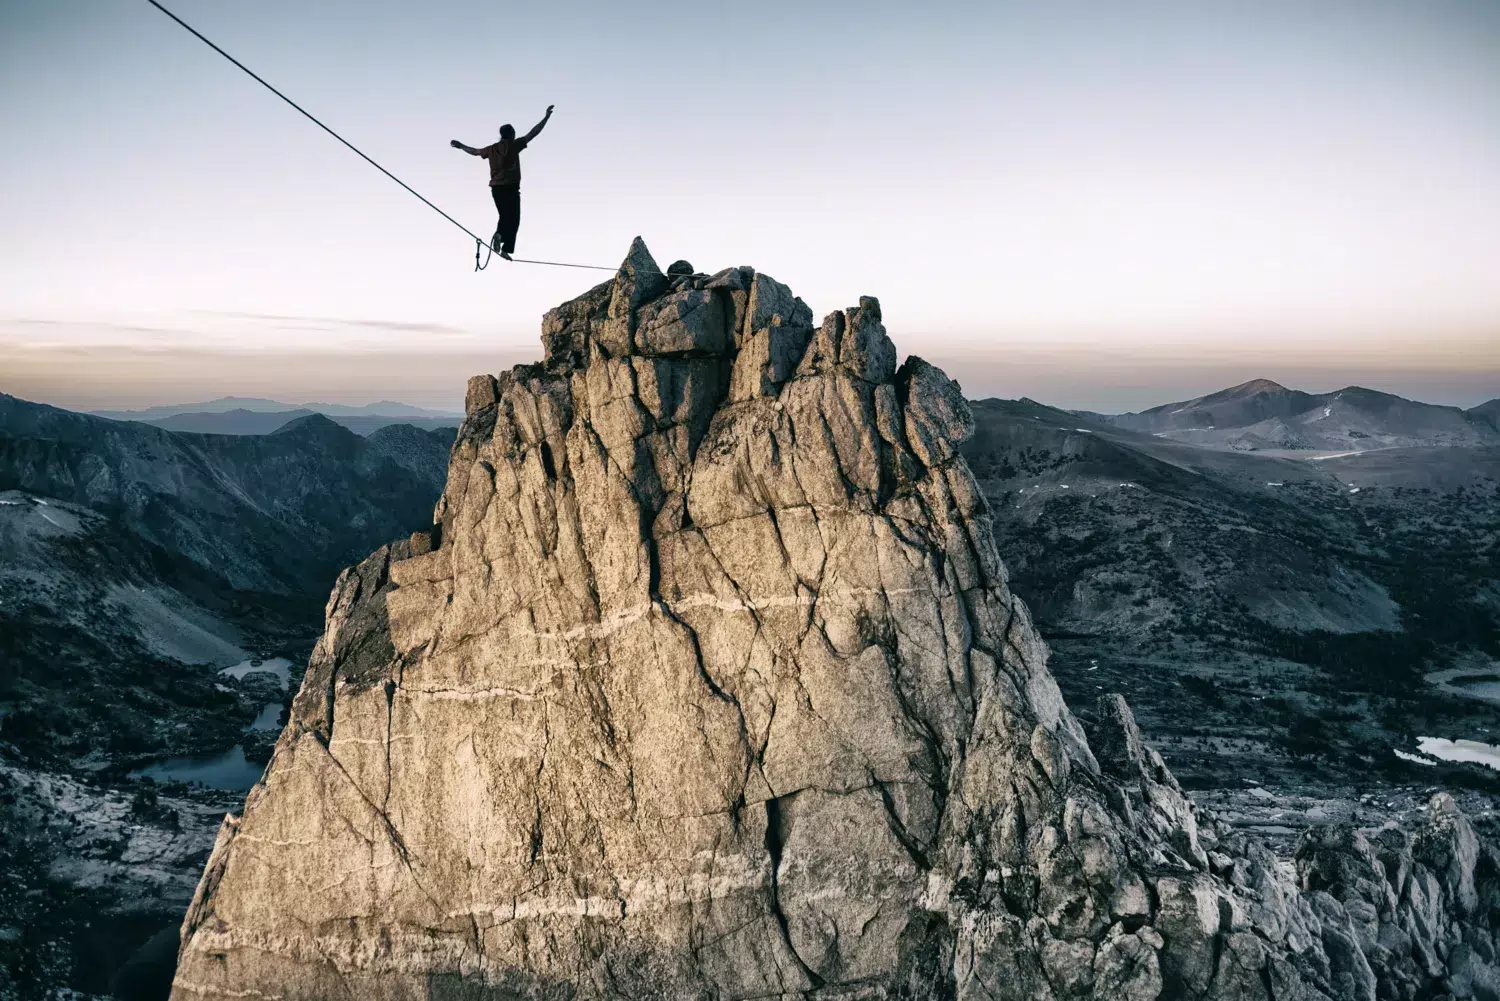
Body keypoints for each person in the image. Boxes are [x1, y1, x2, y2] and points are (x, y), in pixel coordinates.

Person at [451, 106, 553, 260]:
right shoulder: (515, 144)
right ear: (512, 134)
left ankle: (499, 235)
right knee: (514, 218)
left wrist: (460, 146)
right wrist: (546, 117)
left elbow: (475, 151)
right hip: (511, 188)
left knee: (505, 216)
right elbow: (534, 132)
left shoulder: (492, 149)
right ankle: (506, 247)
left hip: (496, 189)